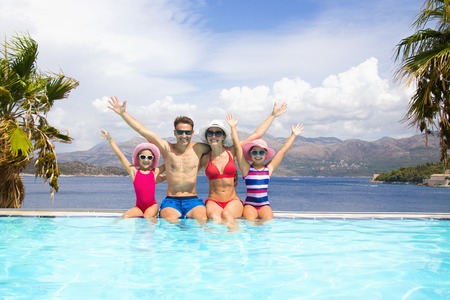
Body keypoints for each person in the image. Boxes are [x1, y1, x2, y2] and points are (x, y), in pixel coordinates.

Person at [107, 96, 210, 222]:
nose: (184, 135)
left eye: (188, 132)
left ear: (192, 133)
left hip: (193, 199)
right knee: (170, 222)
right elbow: (143, 130)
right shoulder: (167, 148)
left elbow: (220, 147)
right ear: (174, 132)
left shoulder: (199, 148)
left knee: (203, 220)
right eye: (180, 132)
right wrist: (123, 114)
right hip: (172, 200)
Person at [198, 102, 288, 226]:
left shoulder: (232, 151)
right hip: (213, 201)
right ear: (206, 136)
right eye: (210, 133)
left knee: (227, 216)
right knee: (214, 218)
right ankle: (216, 245)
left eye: (218, 133)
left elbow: (256, 134)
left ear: (223, 136)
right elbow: (189, 171)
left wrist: (272, 115)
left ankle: (235, 244)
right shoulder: (205, 158)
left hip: (232, 201)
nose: (214, 136)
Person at [226, 114, 304, 221]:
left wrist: (293, 135)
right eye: (255, 152)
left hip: (264, 205)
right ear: (250, 154)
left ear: (265, 154)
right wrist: (233, 128)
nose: (258, 155)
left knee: (268, 222)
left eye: (261, 152)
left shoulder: (269, 168)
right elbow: (238, 148)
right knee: (250, 223)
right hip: (250, 205)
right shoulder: (246, 169)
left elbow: (282, 151)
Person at [100, 129, 165, 218]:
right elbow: (120, 155)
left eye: (149, 157)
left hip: (152, 206)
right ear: (138, 158)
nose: (146, 160)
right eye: (143, 157)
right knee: (124, 217)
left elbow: (169, 163)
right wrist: (110, 140)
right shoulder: (134, 172)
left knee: (147, 218)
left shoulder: (154, 172)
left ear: (153, 160)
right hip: (138, 207)